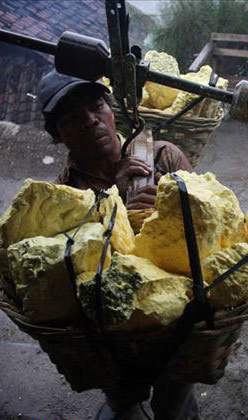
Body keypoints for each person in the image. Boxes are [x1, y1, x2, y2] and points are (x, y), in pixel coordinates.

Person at [37, 70, 198, 420]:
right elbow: (70, 269)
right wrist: (113, 200)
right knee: (124, 400)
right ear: (58, 135)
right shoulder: (61, 196)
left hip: (177, 320)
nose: (90, 121)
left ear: (111, 111)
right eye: (71, 118)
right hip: (107, 330)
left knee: (174, 405)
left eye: (97, 107)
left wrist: (173, 210)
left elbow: (209, 231)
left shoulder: (162, 156)